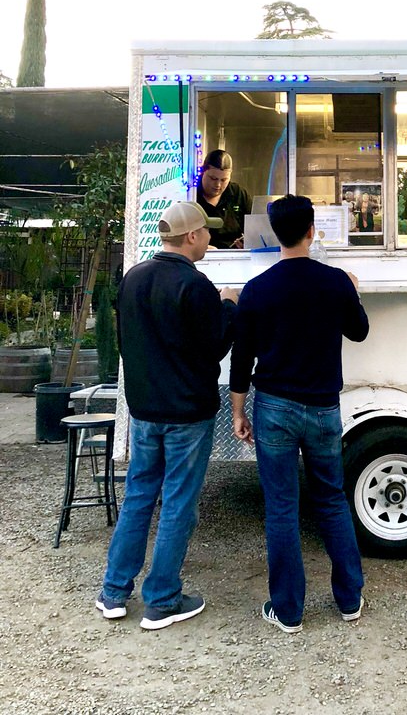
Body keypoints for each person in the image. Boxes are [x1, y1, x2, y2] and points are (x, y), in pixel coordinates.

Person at [95, 201, 239, 630]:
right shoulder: (195, 286)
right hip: (187, 413)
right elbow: (215, 345)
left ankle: (114, 593)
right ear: (191, 236)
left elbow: (125, 344)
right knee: (178, 503)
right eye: (207, 233)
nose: (211, 239)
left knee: (139, 497)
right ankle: (162, 599)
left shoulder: (133, 277)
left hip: (144, 411)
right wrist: (228, 306)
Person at [229, 194, 369, 633]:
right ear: (313, 231)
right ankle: (349, 600)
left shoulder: (257, 289)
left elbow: (241, 359)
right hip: (325, 407)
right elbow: (359, 332)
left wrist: (237, 411)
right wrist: (353, 291)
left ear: (273, 235)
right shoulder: (335, 282)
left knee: (282, 508)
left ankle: (288, 611)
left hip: (274, 408)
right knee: (331, 500)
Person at [196, 149, 251, 249]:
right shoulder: (191, 195)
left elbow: (253, 230)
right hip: (200, 257)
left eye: (224, 180)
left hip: (234, 258)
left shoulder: (238, 194)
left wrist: (248, 242)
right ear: (203, 172)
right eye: (213, 178)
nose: (218, 185)